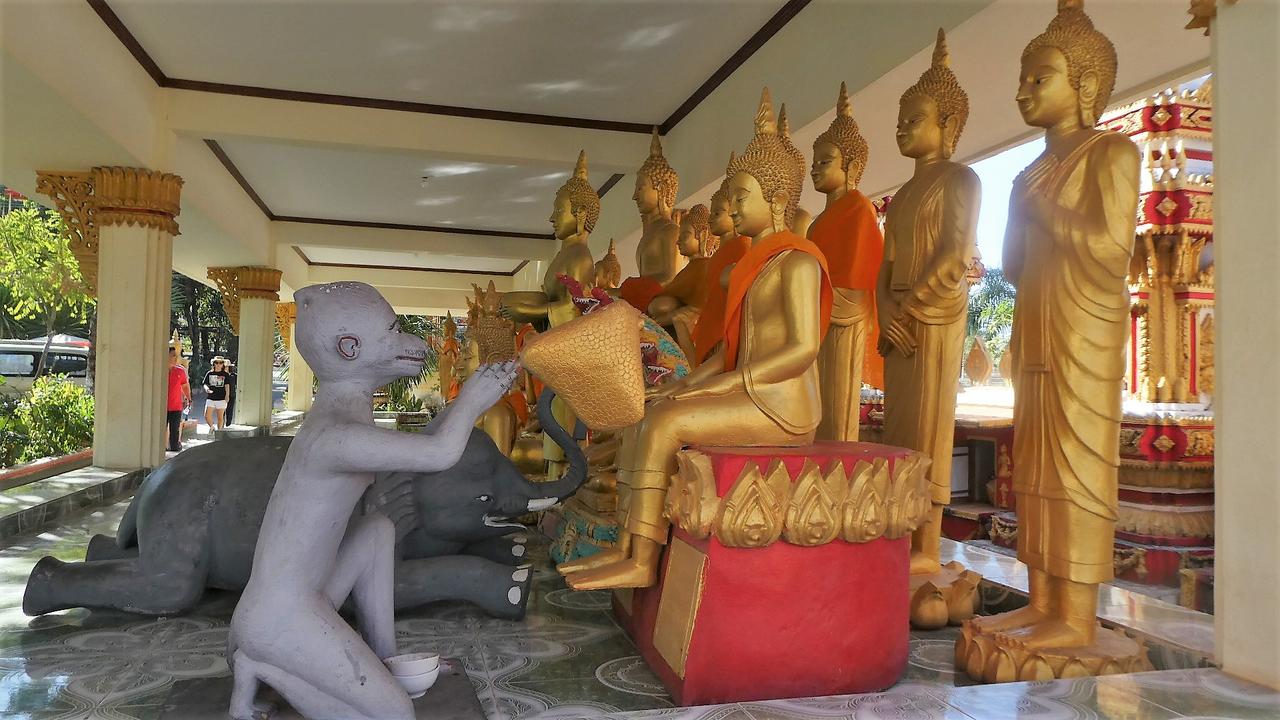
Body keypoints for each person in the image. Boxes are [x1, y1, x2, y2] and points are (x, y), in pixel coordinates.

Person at [166, 348, 191, 452]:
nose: (176, 358)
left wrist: (188, 398)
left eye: (177, 355)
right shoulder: (158, 370)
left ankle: (174, 449)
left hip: (176, 406)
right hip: (161, 407)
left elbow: (185, 386)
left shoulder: (180, 370)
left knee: (175, 430)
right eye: (173, 355)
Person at [203, 357, 231, 430]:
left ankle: (219, 432)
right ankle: (212, 427)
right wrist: (207, 389)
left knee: (220, 417)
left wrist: (227, 395)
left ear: (223, 364)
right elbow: (205, 384)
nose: (218, 364)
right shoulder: (209, 373)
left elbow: (227, 385)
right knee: (206, 415)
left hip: (221, 398)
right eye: (216, 362)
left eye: (220, 363)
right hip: (211, 397)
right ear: (214, 364)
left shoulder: (225, 374)